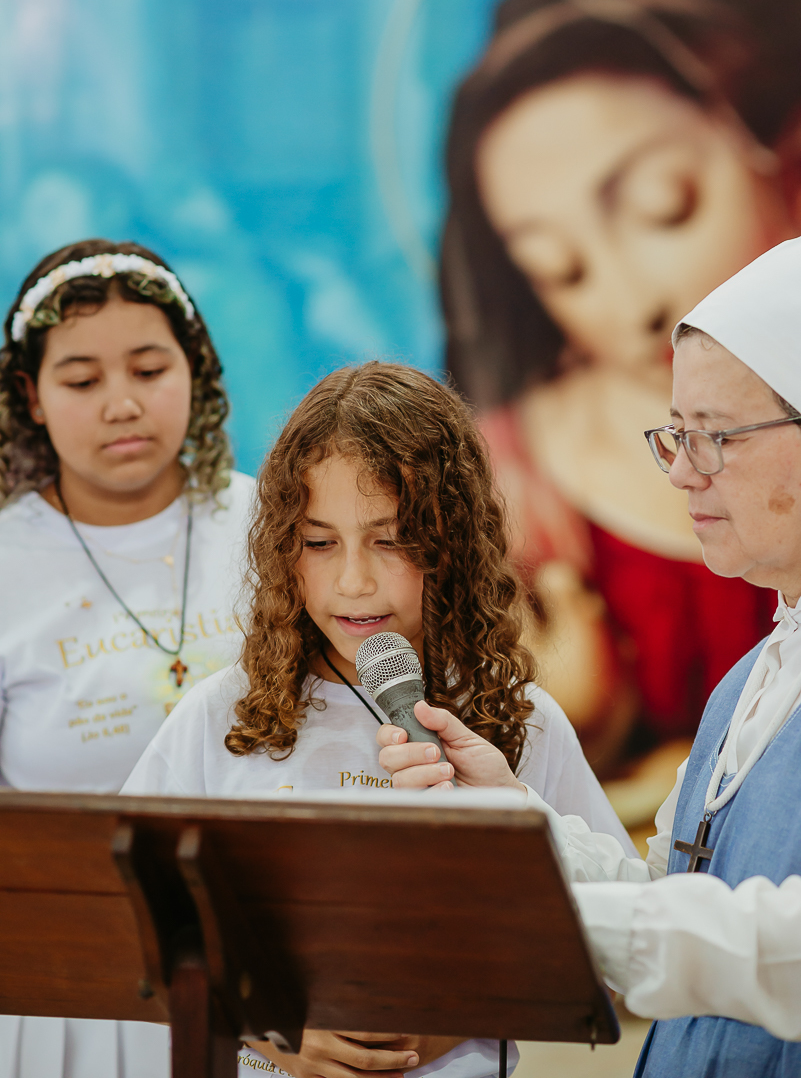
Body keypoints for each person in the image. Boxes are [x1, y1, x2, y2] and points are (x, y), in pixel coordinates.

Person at [121, 361, 639, 1078]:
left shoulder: (521, 723)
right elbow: (134, 931)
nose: (353, 581)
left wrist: (459, 1012)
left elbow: (618, 957)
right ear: (282, 549)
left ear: (451, 542)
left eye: (390, 539)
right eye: (319, 542)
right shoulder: (222, 717)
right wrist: (270, 1028)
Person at [382, 236, 801, 1075]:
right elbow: (666, 900)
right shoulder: (745, 684)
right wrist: (506, 816)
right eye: (674, 433)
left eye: (715, 436)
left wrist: (562, 923)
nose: (680, 472)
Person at [439, 0, 801, 762]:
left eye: (661, 206)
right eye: (556, 270)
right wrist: (565, 726)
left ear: (783, 154)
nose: (630, 304)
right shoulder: (515, 491)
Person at [0, 239, 254, 1078]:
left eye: (149, 369)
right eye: (82, 381)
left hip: (264, 958)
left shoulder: (274, 524)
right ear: (31, 398)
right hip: (62, 979)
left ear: (196, 371)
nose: (121, 404)